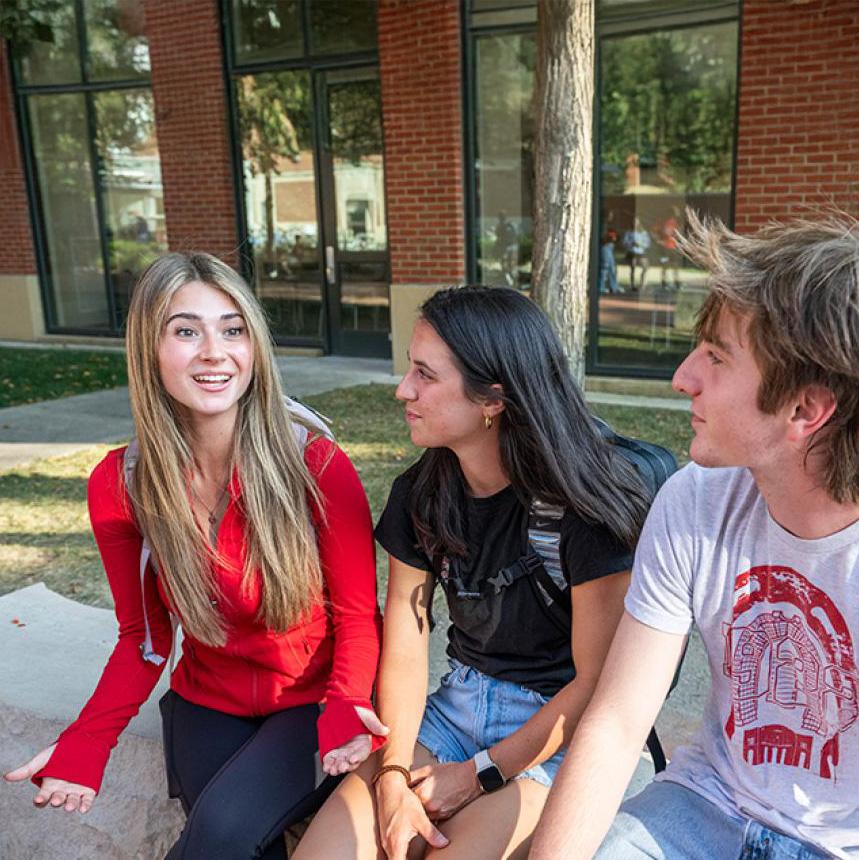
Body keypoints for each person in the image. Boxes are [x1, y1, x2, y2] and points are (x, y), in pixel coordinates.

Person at [3, 252, 386, 859]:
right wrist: (88, 740)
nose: (214, 351)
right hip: (207, 700)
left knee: (222, 835)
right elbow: (143, 638)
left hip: (314, 704)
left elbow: (359, 615)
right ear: (149, 351)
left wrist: (349, 703)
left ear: (253, 347)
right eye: (186, 331)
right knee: (234, 843)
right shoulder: (121, 483)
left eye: (232, 330)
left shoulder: (314, 465)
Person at [531, 212, 859, 860]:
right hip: (703, 805)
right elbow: (619, 722)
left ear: (803, 410)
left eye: (715, 356)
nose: (682, 377)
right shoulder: (694, 500)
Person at [293, 285, 652, 860]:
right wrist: (390, 774)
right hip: (455, 709)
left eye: (425, 375)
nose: (402, 390)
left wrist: (481, 774)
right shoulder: (421, 494)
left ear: (493, 398)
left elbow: (595, 685)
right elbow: (406, 653)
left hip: (555, 731)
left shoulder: (584, 509)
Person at [622, 217, 651, 291]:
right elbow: (624, 242)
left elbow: (647, 243)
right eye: (633, 222)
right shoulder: (629, 232)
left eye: (636, 222)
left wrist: (640, 244)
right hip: (632, 252)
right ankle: (632, 285)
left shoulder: (643, 232)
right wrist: (630, 244)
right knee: (632, 269)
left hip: (641, 252)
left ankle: (642, 284)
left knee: (645, 267)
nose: (635, 224)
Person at [599, 229, 621, 295]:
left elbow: (615, 239)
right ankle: (601, 287)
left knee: (613, 270)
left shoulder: (610, 231)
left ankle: (614, 287)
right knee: (604, 269)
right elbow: (605, 240)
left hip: (609, 249)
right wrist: (610, 238)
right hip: (605, 249)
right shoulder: (604, 230)